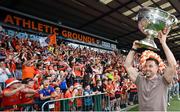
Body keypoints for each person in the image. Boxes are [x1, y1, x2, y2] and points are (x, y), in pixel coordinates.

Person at [124, 28, 177, 111]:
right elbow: (127, 66)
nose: (147, 68)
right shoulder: (140, 80)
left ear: (157, 68)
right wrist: (134, 48)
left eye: (151, 66)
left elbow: (173, 65)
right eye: (146, 66)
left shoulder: (163, 80)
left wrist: (163, 43)